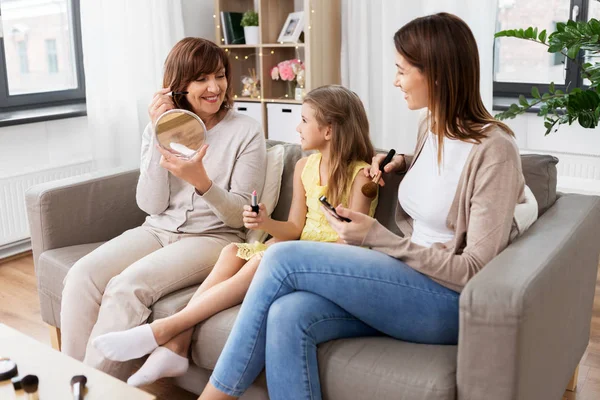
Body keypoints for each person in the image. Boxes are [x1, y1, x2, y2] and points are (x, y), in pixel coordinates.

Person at [197, 13, 538, 400]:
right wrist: (403, 163)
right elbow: (447, 175)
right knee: (287, 315)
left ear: (438, 74)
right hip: (406, 278)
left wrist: (381, 239)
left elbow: (473, 269)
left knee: (280, 259)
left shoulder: (496, 150)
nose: (395, 80)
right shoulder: (432, 128)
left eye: (402, 70)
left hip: (445, 300)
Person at [91, 84, 379, 386]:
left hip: (330, 262)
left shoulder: (361, 176)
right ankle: (176, 346)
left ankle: (165, 329)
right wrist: (265, 221)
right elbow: (295, 227)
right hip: (298, 250)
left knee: (263, 260)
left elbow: (353, 246)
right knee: (232, 252)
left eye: (305, 120)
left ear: (330, 130)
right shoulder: (304, 167)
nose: (298, 126)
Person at [60, 37, 267, 381]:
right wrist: (159, 136)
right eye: (201, 79)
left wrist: (203, 182)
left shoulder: (245, 131)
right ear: (178, 86)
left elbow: (239, 216)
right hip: (156, 230)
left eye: (219, 75)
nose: (214, 87)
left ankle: (91, 388)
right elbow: (150, 204)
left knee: (126, 287)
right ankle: (69, 378)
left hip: (212, 237)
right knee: (81, 275)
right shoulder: (159, 127)